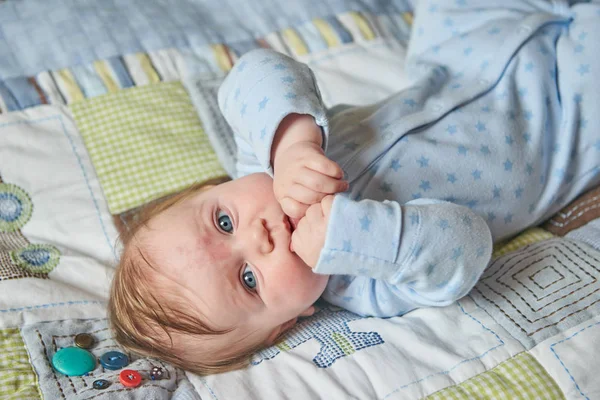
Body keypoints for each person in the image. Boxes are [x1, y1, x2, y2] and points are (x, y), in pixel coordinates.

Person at [109, 0, 600, 376]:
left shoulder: (262, 154)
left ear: (216, 186)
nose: (258, 236)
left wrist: (292, 143)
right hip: (567, 118)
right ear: (289, 322)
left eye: (223, 221)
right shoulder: (368, 285)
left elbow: (254, 73)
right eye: (250, 279)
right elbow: (465, 246)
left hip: (461, 50)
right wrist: (358, 238)